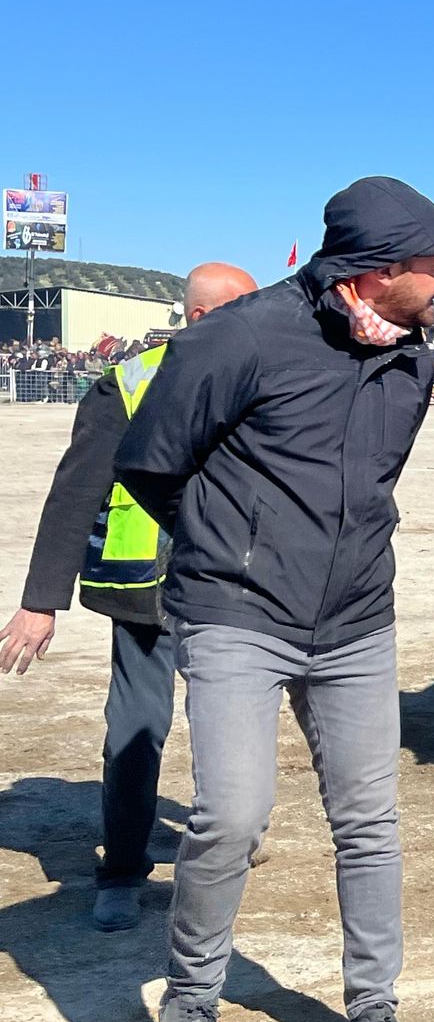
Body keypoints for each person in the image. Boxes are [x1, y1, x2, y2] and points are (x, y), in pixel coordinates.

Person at [113, 177, 434, 1022]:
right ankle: (192, 1000)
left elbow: (374, 481)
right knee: (231, 815)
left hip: (356, 622)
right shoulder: (240, 336)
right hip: (236, 615)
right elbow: (150, 461)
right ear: (381, 268)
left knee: (371, 821)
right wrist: (228, 550)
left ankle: (375, 1006)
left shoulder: (415, 359)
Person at [1, 264, 259, 932]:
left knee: (232, 725)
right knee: (138, 727)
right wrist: (40, 601)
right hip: (149, 587)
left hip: (239, 586)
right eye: (244, 308)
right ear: (201, 318)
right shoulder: (128, 383)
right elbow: (76, 490)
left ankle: (222, 842)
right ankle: (120, 869)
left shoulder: (265, 375)